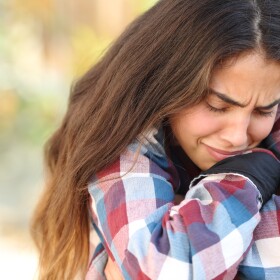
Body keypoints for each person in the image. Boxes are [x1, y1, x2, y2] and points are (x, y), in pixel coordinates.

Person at [31, 0, 280, 279]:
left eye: (263, 110)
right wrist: (248, 175)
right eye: (216, 105)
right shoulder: (124, 138)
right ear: (169, 84)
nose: (237, 136)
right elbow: (163, 270)